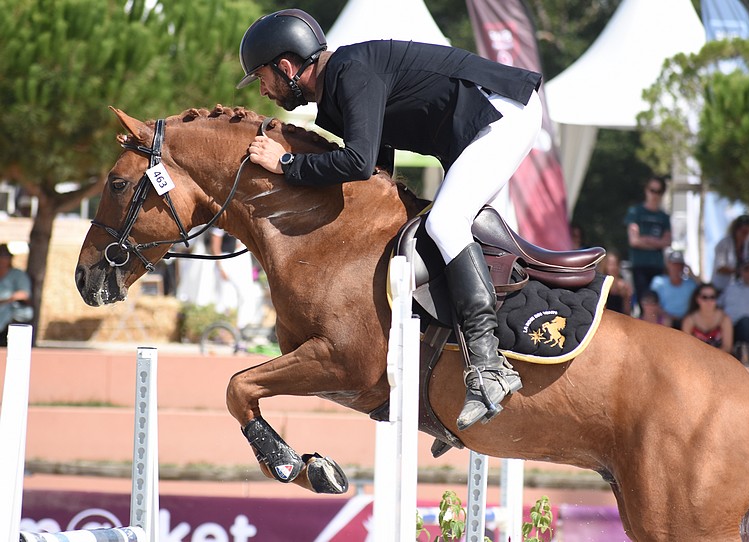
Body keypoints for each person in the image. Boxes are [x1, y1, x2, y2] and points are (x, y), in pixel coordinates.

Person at [236, 9, 543, 430]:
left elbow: (360, 162)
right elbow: (377, 167)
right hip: (489, 120)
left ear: (286, 67)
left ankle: (488, 367)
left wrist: (286, 164)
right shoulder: (340, 86)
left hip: (502, 113)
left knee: (446, 222)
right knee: (438, 231)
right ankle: (452, 369)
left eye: (262, 77)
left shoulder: (349, 72)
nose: (264, 91)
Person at [625, 176, 671, 312]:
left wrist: (645, 239)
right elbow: (634, 240)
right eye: (652, 190)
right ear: (646, 190)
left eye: (659, 191)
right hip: (639, 265)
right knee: (642, 301)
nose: (655, 195)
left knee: (657, 302)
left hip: (657, 266)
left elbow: (667, 241)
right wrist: (656, 243)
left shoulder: (664, 217)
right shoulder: (635, 212)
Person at [649, 250, 697, 329]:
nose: (677, 267)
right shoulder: (658, 282)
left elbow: (703, 290)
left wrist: (691, 273)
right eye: (674, 264)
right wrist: (668, 317)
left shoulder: (691, 284)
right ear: (668, 265)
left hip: (686, 320)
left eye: (679, 264)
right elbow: (653, 302)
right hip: (664, 321)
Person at [681, 283, 733, 354]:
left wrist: (710, 357)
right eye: (705, 297)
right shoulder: (689, 321)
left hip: (719, 360)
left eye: (712, 297)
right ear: (698, 299)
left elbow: (727, 347)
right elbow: (686, 346)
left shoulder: (724, 319)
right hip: (696, 359)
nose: (709, 301)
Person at [711, 214, 749, 292]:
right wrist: (740, 271)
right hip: (722, 288)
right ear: (736, 229)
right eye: (744, 232)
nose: (746, 235)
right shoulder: (724, 244)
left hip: (741, 288)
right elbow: (720, 267)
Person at [0, 244, 33, 346]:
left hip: (11, 308)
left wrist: (6, 300)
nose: (2, 260)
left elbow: (24, 294)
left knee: (6, 310)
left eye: (5, 257)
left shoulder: (18, 275)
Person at [600, 250, 632, 315]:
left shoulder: (623, 286)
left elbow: (627, 311)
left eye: (615, 264)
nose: (613, 267)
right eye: (611, 264)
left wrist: (626, 297)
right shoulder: (601, 285)